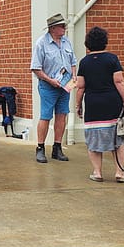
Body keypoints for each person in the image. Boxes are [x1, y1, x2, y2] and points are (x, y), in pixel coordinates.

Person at [75, 26, 124, 183]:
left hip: (93, 104)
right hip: (112, 102)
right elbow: (119, 81)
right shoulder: (112, 59)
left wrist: (78, 105)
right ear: (105, 42)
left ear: (88, 43)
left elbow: (80, 87)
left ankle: (97, 172)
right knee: (117, 139)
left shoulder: (84, 62)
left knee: (93, 139)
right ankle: (120, 173)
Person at [30, 13, 77, 163]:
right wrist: (50, 81)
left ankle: (57, 148)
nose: (64, 28)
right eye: (61, 26)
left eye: (64, 25)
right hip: (48, 86)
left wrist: (74, 76)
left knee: (62, 114)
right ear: (52, 28)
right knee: (45, 116)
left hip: (64, 86)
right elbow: (36, 68)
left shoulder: (67, 42)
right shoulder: (41, 44)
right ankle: (40, 148)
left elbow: (73, 62)